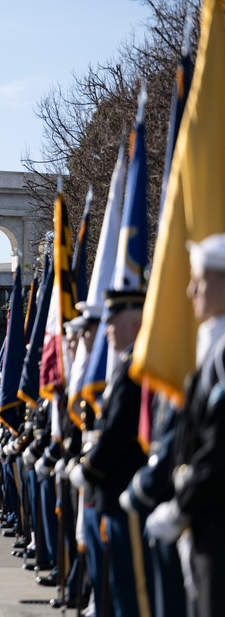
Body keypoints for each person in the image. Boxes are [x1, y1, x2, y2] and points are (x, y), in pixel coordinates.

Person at [146, 234, 225, 617]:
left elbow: (220, 443)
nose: (192, 290)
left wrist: (181, 505)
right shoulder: (212, 345)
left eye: (201, 279)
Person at [70, 288, 148, 617]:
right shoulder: (124, 367)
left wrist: (90, 470)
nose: (108, 330)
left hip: (122, 489)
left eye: (113, 322)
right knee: (117, 583)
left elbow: (118, 432)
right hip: (112, 488)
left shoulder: (133, 370)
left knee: (130, 590)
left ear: (135, 322)